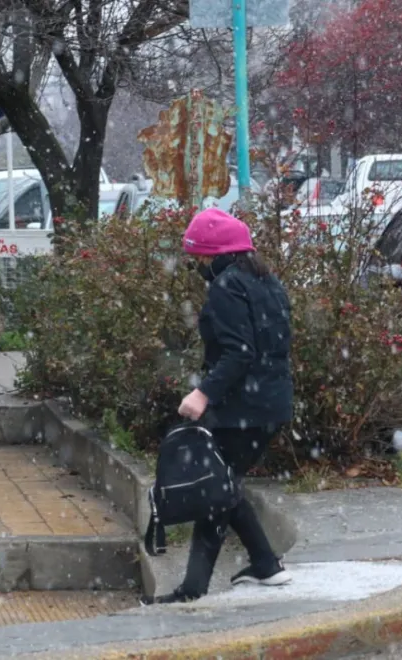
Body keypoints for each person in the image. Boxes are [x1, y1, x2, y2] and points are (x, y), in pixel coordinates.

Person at [152, 208, 294, 604]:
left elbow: (239, 352)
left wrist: (202, 394)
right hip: (271, 404)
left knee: (216, 488)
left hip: (241, 408)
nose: (198, 266)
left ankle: (194, 588)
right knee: (224, 486)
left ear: (218, 255)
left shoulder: (226, 287)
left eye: (199, 258)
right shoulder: (266, 282)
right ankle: (264, 565)